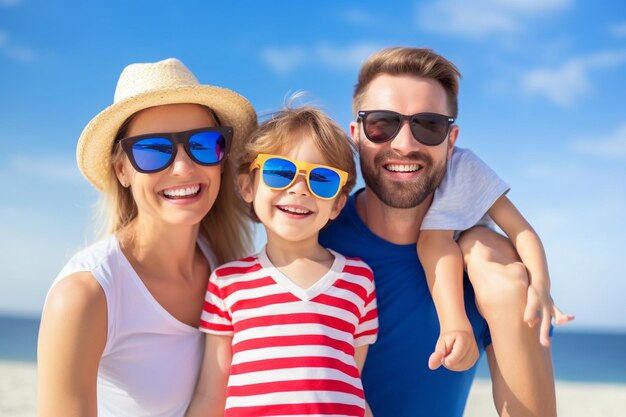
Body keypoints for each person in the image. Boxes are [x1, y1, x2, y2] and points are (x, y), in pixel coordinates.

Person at [319, 47, 563, 417]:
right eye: (382, 124)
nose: (404, 144)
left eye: (428, 125)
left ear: (451, 141)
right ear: (356, 134)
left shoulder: (489, 265)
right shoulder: (317, 242)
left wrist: (506, 295)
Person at [37, 58, 256, 417]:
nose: (184, 167)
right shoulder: (85, 297)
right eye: (153, 150)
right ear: (122, 170)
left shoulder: (227, 269)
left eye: (202, 143)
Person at [186, 105, 378, 417]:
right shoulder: (228, 283)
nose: (300, 189)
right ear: (247, 186)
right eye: (279, 172)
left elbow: (350, 383)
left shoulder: (358, 280)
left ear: (338, 204)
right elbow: (210, 395)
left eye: (323, 180)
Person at [418, 146, 574, 371]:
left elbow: (520, 229)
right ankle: (457, 327)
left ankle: (458, 327)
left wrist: (540, 284)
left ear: (451, 136)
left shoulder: (461, 164)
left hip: (479, 241)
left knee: (484, 255)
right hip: (453, 251)